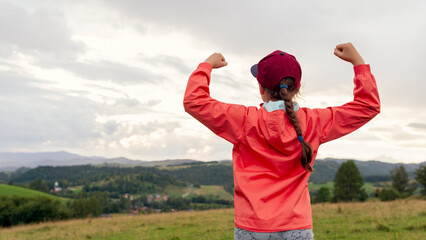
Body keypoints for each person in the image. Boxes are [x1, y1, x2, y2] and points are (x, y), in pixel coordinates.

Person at [183, 43, 380, 240]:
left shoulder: (243, 120)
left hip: (252, 228)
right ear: (298, 87)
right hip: (298, 227)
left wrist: (207, 65)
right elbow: (367, 106)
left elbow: (194, 101)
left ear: (261, 88)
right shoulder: (315, 122)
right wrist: (358, 63)